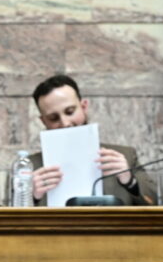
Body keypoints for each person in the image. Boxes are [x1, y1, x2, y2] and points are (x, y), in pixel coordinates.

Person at [29, 74, 154, 206]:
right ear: (43, 121)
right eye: (53, 118)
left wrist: (130, 182)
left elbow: (156, 204)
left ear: (83, 107)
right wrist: (31, 197)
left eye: (70, 111)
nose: (65, 123)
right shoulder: (29, 168)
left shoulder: (126, 156)